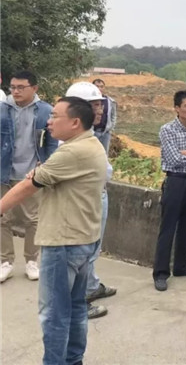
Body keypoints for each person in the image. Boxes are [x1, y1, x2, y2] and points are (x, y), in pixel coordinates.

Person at [0, 96, 107, 365]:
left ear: (75, 122)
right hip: (83, 238)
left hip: (64, 242)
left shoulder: (71, 152)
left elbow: (28, 185)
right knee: (76, 307)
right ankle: (73, 360)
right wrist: (40, 172)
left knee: (54, 313)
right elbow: (41, 175)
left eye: (55, 116)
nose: (49, 121)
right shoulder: (90, 144)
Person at [66, 82, 117, 320]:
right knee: (83, 253)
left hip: (96, 195)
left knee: (92, 249)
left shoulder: (90, 135)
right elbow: (104, 172)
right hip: (86, 200)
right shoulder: (75, 140)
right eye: (95, 105)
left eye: (100, 105)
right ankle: (80, 302)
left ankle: (92, 286)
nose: (100, 111)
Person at [0, 71, 58, 283]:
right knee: (2, 218)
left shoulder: (45, 111)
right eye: (13, 87)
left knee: (33, 219)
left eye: (20, 87)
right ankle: (5, 261)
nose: (15, 91)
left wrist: (47, 165)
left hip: (32, 174)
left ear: (34, 88)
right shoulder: (2, 109)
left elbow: (52, 142)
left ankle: (32, 261)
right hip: (4, 172)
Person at [153, 90, 186, 291]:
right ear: (177, 108)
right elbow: (174, 159)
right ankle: (160, 273)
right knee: (168, 227)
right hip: (175, 180)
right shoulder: (167, 130)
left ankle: (181, 266)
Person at [91, 78, 117, 154]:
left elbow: (113, 115)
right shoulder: (89, 101)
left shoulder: (110, 101)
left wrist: (111, 129)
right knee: (92, 153)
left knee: (104, 154)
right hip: (92, 132)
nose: (99, 88)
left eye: (101, 86)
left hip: (105, 133)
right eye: (97, 86)